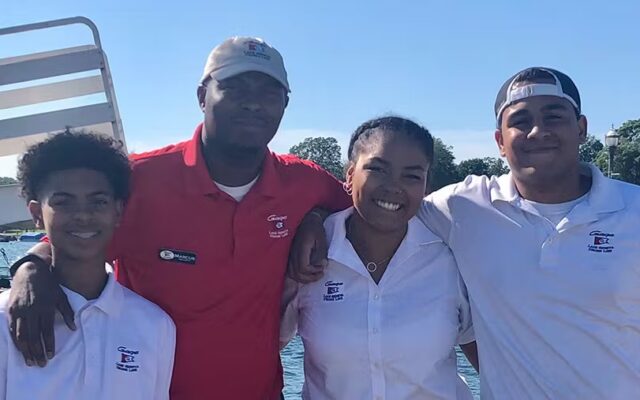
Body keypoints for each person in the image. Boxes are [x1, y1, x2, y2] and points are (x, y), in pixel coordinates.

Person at [7, 37, 349, 400]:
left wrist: (314, 217)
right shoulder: (138, 180)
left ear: (285, 104)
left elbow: (362, 212)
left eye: (269, 92)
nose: (252, 103)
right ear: (203, 96)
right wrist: (29, 269)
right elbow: (71, 236)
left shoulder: (305, 183)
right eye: (234, 87)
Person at [290, 67, 640, 399]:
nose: (537, 131)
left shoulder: (633, 211)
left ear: (581, 128)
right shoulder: (465, 208)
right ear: (500, 141)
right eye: (520, 121)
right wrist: (313, 219)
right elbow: (379, 206)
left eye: (554, 117)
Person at [280, 116, 476, 399]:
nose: (393, 187)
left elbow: (489, 359)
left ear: (425, 187)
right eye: (377, 169)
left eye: (411, 175)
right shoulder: (306, 254)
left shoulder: (451, 257)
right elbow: (261, 353)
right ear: (349, 175)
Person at [0, 132, 176, 399]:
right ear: (36, 214)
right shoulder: (5, 321)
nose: (83, 215)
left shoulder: (156, 325)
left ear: (118, 212)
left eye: (98, 201)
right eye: (63, 202)